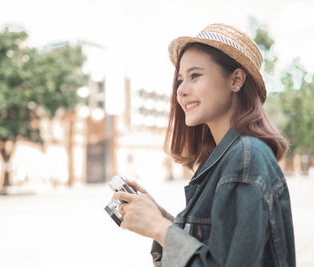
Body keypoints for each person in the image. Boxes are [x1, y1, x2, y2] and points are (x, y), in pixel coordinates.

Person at [112, 23, 296, 267]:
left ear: (236, 80)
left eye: (195, 76)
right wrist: (162, 218)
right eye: (180, 80)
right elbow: (214, 249)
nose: (181, 91)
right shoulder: (229, 157)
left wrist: (159, 228)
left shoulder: (245, 159)